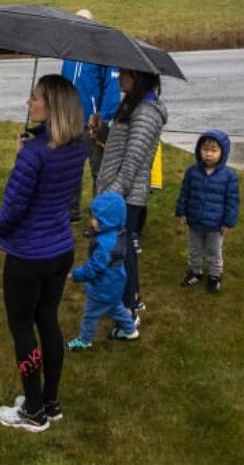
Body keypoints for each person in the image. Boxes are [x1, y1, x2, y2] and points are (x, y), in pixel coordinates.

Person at [0, 74, 90, 433]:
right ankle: (50, 400)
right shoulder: (77, 145)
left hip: (28, 255)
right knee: (47, 319)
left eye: (34, 99)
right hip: (60, 248)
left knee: (22, 326)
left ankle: (33, 411)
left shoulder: (34, 154)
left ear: (51, 107)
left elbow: (14, 205)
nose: (28, 104)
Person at [95, 69, 168, 316]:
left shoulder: (147, 112)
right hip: (119, 193)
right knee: (121, 251)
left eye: (124, 73)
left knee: (121, 254)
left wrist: (112, 195)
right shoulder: (132, 104)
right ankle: (132, 299)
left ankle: (129, 310)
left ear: (138, 77)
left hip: (126, 197)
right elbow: (121, 145)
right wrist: (101, 131)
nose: (118, 77)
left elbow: (133, 160)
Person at [60, 9, 121, 221]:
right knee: (70, 169)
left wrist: (101, 118)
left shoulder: (104, 53)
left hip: (93, 124)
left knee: (100, 173)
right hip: (70, 122)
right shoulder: (70, 52)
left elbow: (112, 90)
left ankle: (99, 216)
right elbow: (63, 85)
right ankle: (70, 213)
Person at [66, 191, 139, 350]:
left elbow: (94, 268)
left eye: (96, 218)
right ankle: (131, 331)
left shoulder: (105, 244)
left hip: (102, 287)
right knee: (116, 307)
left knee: (90, 315)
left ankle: (84, 341)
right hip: (116, 281)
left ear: (107, 221)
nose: (92, 221)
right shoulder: (118, 232)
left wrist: (76, 275)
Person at [175, 129, 240, 294]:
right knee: (194, 249)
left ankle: (214, 275)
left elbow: (232, 201)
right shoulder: (192, 172)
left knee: (214, 251)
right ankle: (195, 271)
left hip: (215, 225)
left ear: (223, 152)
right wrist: (181, 211)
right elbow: (185, 193)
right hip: (195, 220)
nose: (208, 154)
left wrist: (227, 221)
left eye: (214, 150)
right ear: (199, 150)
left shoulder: (229, 177)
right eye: (205, 150)